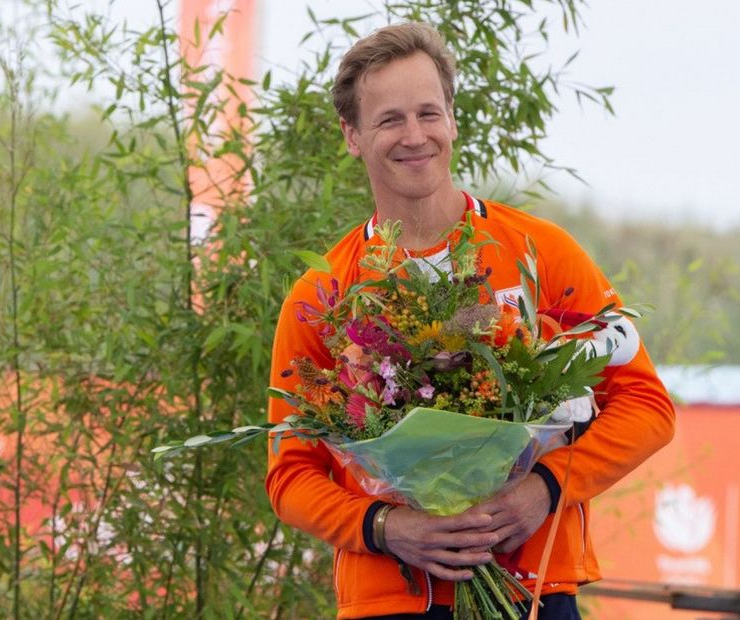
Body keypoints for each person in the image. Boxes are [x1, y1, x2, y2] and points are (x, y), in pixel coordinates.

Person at [264, 22, 675, 619]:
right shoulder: (322, 296)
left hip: (532, 589)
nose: (415, 136)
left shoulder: (540, 254)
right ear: (351, 135)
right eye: (389, 120)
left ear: (452, 120)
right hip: (391, 598)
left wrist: (546, 489)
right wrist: (386, 525)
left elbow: (646, 407)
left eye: (429, 113)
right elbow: (291, 474)